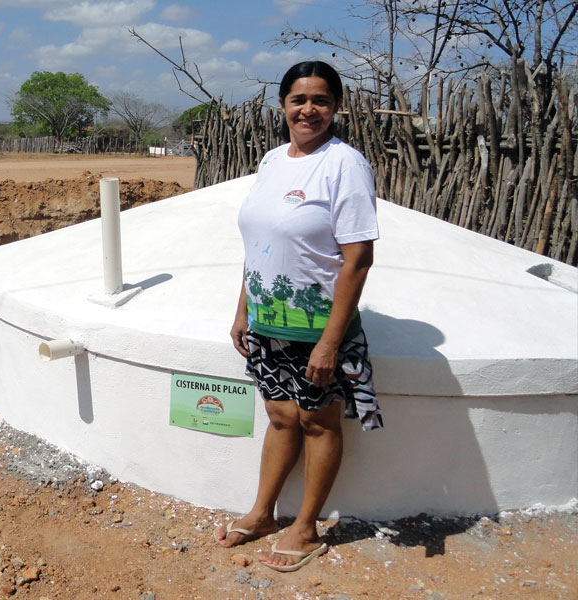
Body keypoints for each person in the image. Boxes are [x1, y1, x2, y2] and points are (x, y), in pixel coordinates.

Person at [214, 61, 383, 572]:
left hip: (317, 330)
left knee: (317, 420)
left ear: (335, 107)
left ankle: (306, 527)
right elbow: (259, 242)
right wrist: (243, 307)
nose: (308, 109)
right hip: (267, 323)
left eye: (321, 100)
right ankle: (264, 513)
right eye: (298, 99)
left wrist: (332, 342)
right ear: (282, 104)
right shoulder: (270, 162)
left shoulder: (344, 164)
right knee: (280, 415)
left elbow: (359, 258)